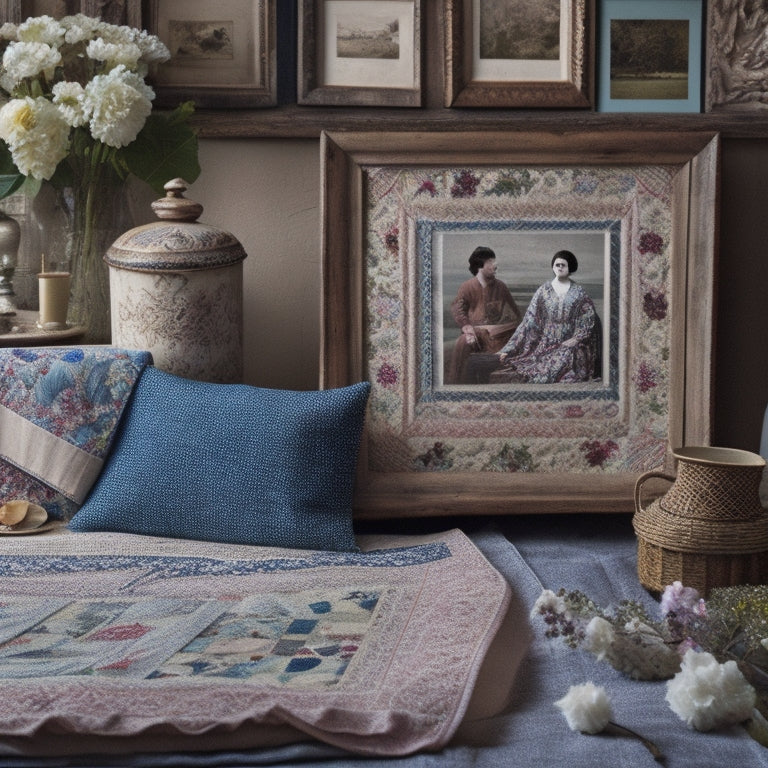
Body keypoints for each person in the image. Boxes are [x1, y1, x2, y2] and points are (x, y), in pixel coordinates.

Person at [491, 250, 599, 384]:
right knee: (537, 365)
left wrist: (576, 338)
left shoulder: (579, 293)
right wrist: (509, 349)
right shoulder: (543, 291)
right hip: (545, 343)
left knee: (568, 359)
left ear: (570, 267)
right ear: (553, 267)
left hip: (571, 343)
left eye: (563, 265)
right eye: (557, 264)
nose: (559, 267)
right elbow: (529, 321)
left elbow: (587, 319)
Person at [445, 246, 522, 384]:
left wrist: (500, 328)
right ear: (480, 265)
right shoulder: (467, 287)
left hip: (500, 337)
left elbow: (515, 315)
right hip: (476, 336)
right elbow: (458, 309)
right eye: (491, 261)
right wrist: (467, 328)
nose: (495, 265)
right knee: (463, 343)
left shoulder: (501, 287)